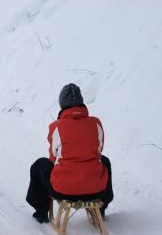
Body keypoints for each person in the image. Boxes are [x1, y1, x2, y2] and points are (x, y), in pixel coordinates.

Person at [26, 84, 113, 224]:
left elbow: (53, 159)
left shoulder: (56, 127)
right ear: (81, 102)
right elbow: (99, 150)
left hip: (63, 191)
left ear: (62, 104)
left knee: (40, 165)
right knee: (105, 161)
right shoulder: (96, 123)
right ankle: (101, 208)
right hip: (96, 190)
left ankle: (41, 212)